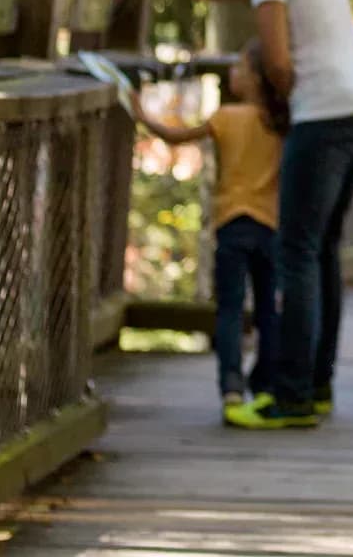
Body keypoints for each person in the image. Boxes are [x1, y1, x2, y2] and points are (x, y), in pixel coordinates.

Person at [109, 0, 353, 429]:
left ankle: (290, 397)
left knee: (297, 252)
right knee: (323, 250)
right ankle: (318, 385)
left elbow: (277, 60)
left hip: (325, 114)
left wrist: (278, 111)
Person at [134, 39, 289, 421]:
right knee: (269, 309)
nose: (232, 73)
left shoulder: (225, 118)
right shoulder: (282, 122)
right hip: (271, 225)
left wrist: (139, 111)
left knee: (231, 309)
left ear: (253, 79)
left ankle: (231, 388)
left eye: (239, 68)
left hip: (232, 224)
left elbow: (174, 137)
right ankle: (266, 385)